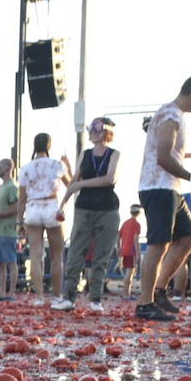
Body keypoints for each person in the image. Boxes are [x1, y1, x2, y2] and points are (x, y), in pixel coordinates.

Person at [135, 73, 191, 321]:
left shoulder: (172, 115)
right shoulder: (171, 115)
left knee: (189, 238)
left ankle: (158, 290)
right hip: (159, 186)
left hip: (169, 186)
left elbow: (167, 151)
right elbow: (162, 156)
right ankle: (145, 303)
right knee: (158, 244)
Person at [54, 117, 121, 312]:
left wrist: (82, 184)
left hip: (108, 208)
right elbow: (74, 181)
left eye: (98, 128)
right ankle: (69, 297)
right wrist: (63, 204)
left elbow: (110, 178)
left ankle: (95, 299)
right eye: (92, 128)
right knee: (75, 252)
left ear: (106, 132)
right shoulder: (85, 154)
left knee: (102, 255)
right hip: (84, 207)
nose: (93, 131)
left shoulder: (114, 154)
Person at [18, 133, 71, 304]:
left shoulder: (25, 168)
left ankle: (39, 296)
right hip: (51, 207)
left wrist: (19, 220)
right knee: (56, 256)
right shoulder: (57, 165)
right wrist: (68, 168)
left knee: (35, 255)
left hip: (33, 208)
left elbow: (22, 198)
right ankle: (56, 296)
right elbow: (71, 186)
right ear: (49, 145)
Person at [0, 159, 20, 300]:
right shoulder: (2, 187)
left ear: (7, 167)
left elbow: (16, 207)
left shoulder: (12, 186)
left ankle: (11, 292)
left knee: (11, 262)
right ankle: (1, 292)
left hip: (8, 231)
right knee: (0, 263)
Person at [118, 205, 143, 297]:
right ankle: (126, 294)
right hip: (131, 250)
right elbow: (135, 239)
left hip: (124, 249)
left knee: (128, 271)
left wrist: (119, 247)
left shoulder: (125, 223)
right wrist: (138, 253)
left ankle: (125, 293)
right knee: (130, 272)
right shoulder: (136, 224)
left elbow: (118, 235)